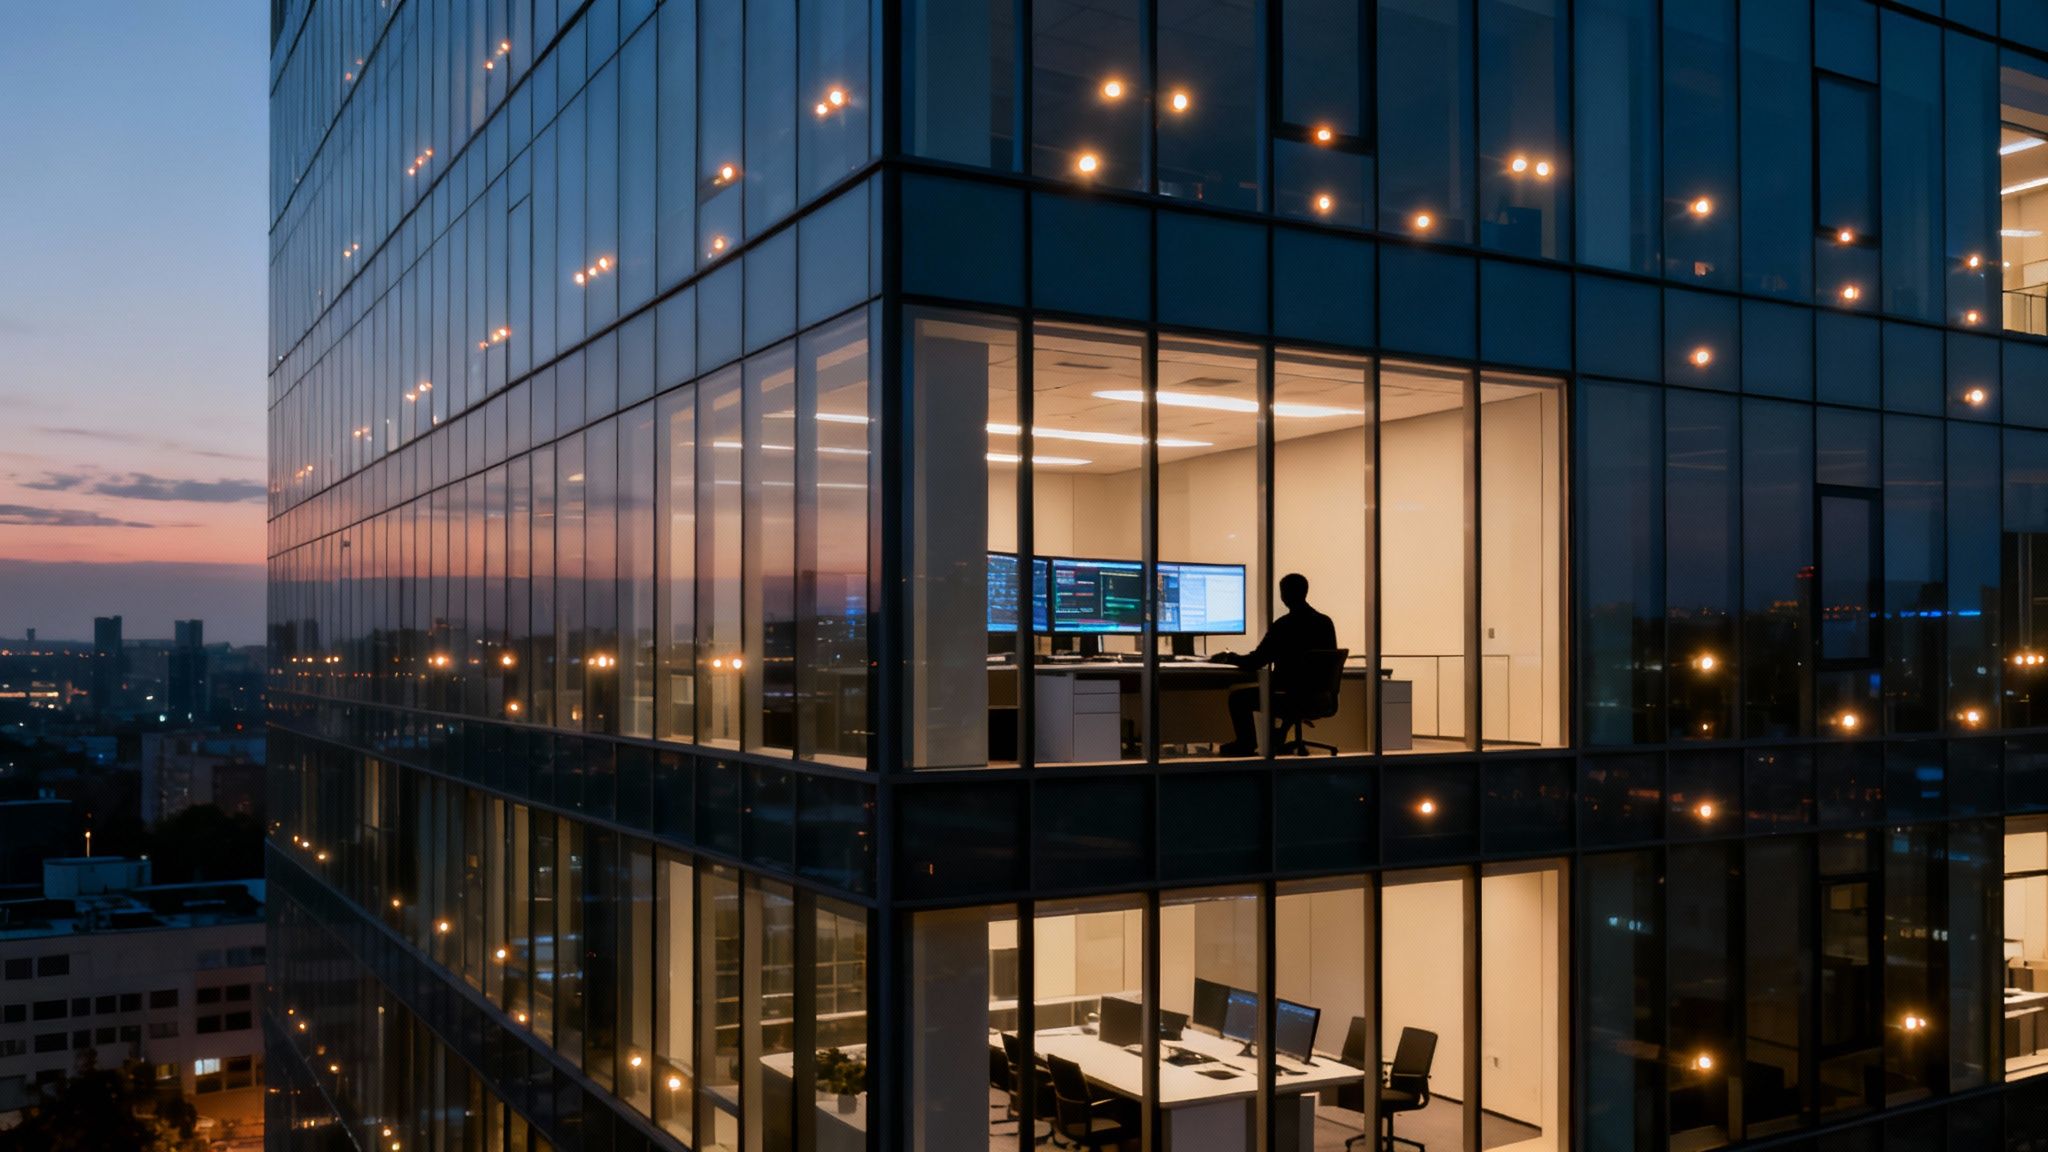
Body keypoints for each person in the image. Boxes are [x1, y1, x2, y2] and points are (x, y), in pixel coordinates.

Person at [1213, 573, 1337, 756]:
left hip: (1291, 696)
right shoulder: (1325, 623)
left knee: (1238, 698)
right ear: (1305, 592)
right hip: (1321, 699)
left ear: (1283, 596)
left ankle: (1246, 743)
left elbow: (1255, 661)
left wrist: (1229, 657)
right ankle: (1279, 734)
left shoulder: (1284, 626)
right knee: (1288, 691)